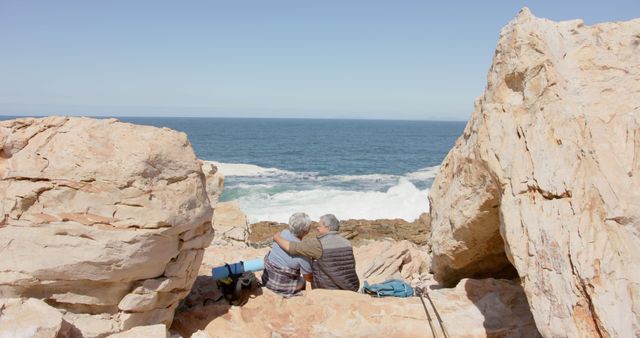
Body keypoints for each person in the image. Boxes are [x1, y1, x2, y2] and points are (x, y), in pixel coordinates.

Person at [273, 214, 359, 292]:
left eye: (320, 226)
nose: (317, 228)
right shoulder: (346, 242)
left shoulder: (318, 243)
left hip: (330, 289)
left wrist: (277, 238)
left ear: (328, 228)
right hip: (352, 286)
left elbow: (291, 247)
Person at [261, 212, 313, 296]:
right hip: (281, 287)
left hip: (267, 279)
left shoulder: (282, 233)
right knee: (303, 281)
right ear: (306, 230)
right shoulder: (303, 251)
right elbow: (308, 277)